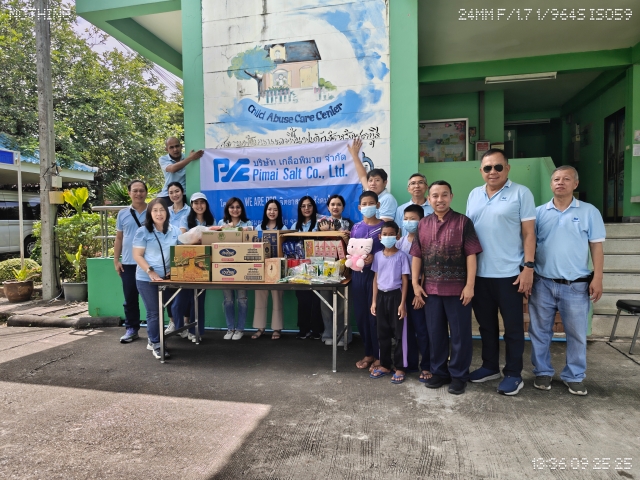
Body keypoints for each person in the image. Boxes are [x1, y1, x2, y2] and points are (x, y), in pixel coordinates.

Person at [528, 166, 605, 396]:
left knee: (577, 334)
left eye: (566, 179)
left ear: (575, 184)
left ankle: (574, 375)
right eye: (556, 179)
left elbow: (596, 247)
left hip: (576, 285)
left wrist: (598, 277)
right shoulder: (539, 213)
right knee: (539, 332)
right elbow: (530, 244)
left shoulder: (589, 212)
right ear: (551, 184)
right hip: (542, 282)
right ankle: (542, 372)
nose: (560, 182)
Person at [466, 149, 536, 396]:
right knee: (486, 326)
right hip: (480, 274)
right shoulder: (474, 194)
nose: (493, 172)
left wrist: (528, 267)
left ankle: (514, 374)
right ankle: (490, 367)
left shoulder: (521, 193)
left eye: (498, 167)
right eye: (488, 168)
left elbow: (529, 233)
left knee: (513, 329)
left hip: (510, 274)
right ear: (481, 171)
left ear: (507, 168)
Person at [412, 181, 483, 395]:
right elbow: (417, 255)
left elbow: (471, 255)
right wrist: (415, 284)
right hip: (430, 290)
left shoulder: (463, 222)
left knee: (460, 335)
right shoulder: (423, 224)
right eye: (435, 195)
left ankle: (459, 376)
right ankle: (439, 372)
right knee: (436, 334)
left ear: (451, 197)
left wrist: (470, 286)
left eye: (444, 195)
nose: (439, 199)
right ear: (429, 198)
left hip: (458, 291)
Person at [132, 198, 181, 359]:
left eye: (162, 210)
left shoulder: (175, 230)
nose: (159, 214)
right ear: (150, 213)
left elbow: (182, 251)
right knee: (154, 312)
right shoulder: (143, 232)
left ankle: (152, 338)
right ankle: (156, 344)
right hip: (146, 279)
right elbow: (137, 255)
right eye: (155, 210)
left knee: (163, 309)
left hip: (167, 279)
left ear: (167, 212)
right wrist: (150, 271)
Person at [370, 221, 410, 384]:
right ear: (380, 237)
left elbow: (405, 280)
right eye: (385, 235)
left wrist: (402, 303)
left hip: (396, 297)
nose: (388, 237)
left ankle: (400, 367)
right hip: (381, 297)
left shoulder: (402, 256)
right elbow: (375, 279)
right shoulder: (378, 256)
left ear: (397, 236)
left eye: (391, 234)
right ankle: (385, 365)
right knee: (382, 333)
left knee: (399, 334)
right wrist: (374, 301)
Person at [396, 204, 431, 382]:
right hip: (403, 289)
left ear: (421, 221)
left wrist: (418, 293)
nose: (408, 222)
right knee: (406, 328)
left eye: (413, 219)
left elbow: (426, 269)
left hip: (420, 288)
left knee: (422, 328)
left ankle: (426, 365)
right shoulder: (399, 242)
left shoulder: (426, 241)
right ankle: (409, 363)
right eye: (406, 219)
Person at [351, 191, 385, 371]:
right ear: (359, 207)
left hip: (376, 276)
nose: (368, 206)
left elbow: (391, 251)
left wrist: (375, 258)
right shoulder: (356, 227)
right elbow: (352, 250)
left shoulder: (384, 227)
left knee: (375, 316)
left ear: (377, 205)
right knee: (362, 316)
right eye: (364, 204)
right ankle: (368, 353)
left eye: (371, 203)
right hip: (358, 276)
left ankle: (380, 356)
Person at [175, 192, 215, 341]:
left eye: (202, 202)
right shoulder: (185, 219)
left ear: (206, 204)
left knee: (199, 299)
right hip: (187, 261)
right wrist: (196, 240)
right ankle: (179, 327)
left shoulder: (211, 220)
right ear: (192, 205)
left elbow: (212, 241)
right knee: (181, 299)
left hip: (204, 261)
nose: (199, 206)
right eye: (196, 203)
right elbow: (181, 240)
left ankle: (195, 331)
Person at [316, 194, 353, 346]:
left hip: (344, 268)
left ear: (343, 207)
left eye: (338, 204)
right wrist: (323, 233)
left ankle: (344, 336)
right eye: (332, 204)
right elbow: (314, 245)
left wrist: (345, 237)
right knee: (325, 303)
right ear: (328, 207)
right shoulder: (320, 223)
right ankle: (328, 334)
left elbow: (354, 246)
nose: (335, 207)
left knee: (343, 305)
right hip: (325, 268)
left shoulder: (349, 224)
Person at [114, 180, 148, 344]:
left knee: (153, 298)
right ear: (129, 193)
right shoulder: (122, 214)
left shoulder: (153, 211)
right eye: (135, 190)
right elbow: (119, 238)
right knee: (130, 298)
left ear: (146, 193)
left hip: (149, 263)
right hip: (128, 263)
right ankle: (132, 329)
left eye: (141, 190)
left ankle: (155, 331)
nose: (138, 193)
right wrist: (116, 260)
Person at [218, 197, 252, 340]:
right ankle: (230, 328)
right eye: (232, 207)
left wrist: (237, 229)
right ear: (227, 209)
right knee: (228, 299)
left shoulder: (248, 224)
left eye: (238, 207)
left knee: (242, 299)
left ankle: (240, 329)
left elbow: (250, 242)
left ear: (242, 209)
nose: (235, 210)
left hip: (242, 265)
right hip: (224, 265)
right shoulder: (221, 223)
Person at [292, 196, 324, 340]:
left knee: (317, 300)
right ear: (300, 209)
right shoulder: (296, 225)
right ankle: (303, 329)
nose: (306, 208)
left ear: (313, 207)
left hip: (318, 267)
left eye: (309, 205)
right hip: (300, 268)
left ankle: (317, 330)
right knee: (302, 299)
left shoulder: (320, 223)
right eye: (303, 206)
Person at [253, 199, 285, 340]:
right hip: (261, 267)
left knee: (277, 297)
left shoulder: (284, 228)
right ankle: (260, 327)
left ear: (279, 212)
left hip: (277, 268)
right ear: (265, 211)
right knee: (260, 296)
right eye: (269, 209)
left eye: (275, 209)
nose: (272, 212)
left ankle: (277, 328)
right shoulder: (258, 229)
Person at [348, 138, 397, 221]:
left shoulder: (387, 199)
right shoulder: (370, 193)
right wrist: (354, 155)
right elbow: (363, 176)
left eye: (377, 180)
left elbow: (385, 223)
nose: (373, 183)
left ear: (385, 182)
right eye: (370, 180)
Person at [163, 181, 189, 336]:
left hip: (185, 254)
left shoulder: (189, 211)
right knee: (169, 290)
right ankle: (172, 322)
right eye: (171, 192)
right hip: (167, 255)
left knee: (185, 291)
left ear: (182, 191)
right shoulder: (164, 211)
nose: (174, 195)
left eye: (177, 191)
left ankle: (184, 324)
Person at [157, 137, 204, 208]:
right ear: (166, 149)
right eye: (171, 147)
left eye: (177, 146)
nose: (175, 149)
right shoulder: (163, 159)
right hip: (167, 194)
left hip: (184, 194)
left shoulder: (187, 157)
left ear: (181, 146)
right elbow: (172, 169)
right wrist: (191, 158)